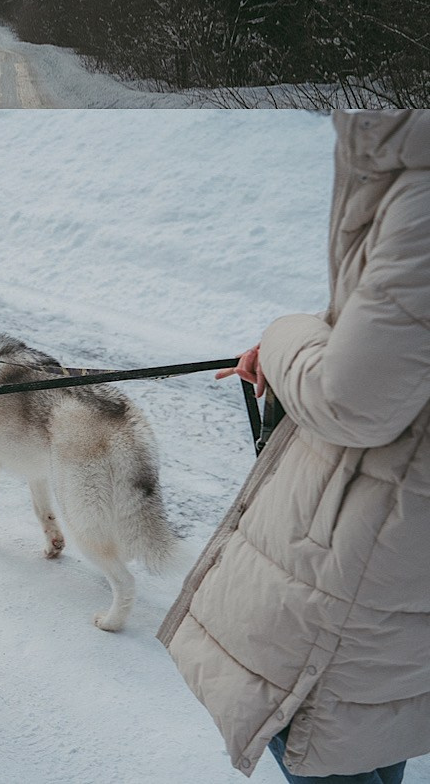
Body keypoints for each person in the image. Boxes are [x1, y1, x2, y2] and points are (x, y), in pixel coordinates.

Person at [158, 109, 430, 782]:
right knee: (369, 724)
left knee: (326, 726)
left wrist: (284, 339)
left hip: (373, 543)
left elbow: (350, 399)